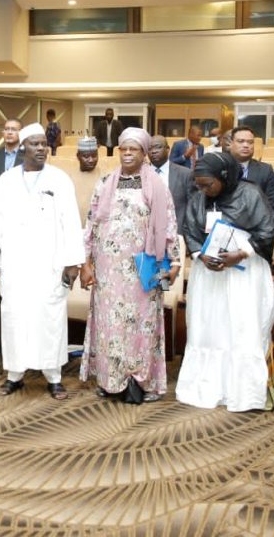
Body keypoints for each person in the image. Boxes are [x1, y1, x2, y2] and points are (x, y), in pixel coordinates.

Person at [0, 123, 85, 400]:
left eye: (44, 143)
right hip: (14, 264)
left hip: (50, 264)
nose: (41, 148)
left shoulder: (59, 179)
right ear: (22, 148)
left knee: (51, 319)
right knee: (14, 318)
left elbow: (71, 222)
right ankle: (14, 375)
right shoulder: (7, 180)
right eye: (34, 144)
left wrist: (73, 264)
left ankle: (54, 377)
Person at [79, 128, 180, 402]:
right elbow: (92, 224)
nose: (126, 153)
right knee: (109, 324)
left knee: (141, 324)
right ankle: (111, 379)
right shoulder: (105, 183)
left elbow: (168, 226)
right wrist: (85, 262)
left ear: (144, 153)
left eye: (133, 149)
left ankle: (140, 381)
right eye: (123, 148)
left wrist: (173, 260)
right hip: (108, 270)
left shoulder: (156, 185)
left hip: (144, 269)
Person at [176, 152, 274, 412]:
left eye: (208, 184)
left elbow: (267, 230)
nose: (202, 189)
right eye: (199, 184)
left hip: (244, 273)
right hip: (210, 275)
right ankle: (209, 387)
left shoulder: (250, 194)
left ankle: (241, 393)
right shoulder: (200, 198)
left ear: (224, 176)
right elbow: (189, 230)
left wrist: (241, 253)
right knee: (210, 329)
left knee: (240, 328)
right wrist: (200, 255)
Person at [148, 135, 194, 234]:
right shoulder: (140, 174)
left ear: (168, 149)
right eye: (150, 148)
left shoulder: (185, 174)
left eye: (158, 147)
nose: (153, 151)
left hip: (176, 233)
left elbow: (192, 207)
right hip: (147, 234)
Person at [229, 126, 274, 211]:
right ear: (231, 143)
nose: (246, 145)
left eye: (250, 142)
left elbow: (270, 203)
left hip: (256, 221)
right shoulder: (220, 167)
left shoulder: (265, 170)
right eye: (240, 141)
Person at [73, 136, 104, 224]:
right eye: (86, 156)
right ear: (78, 156)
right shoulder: (69, 179)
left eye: (94, 156)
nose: (91, 160)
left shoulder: (104, 178)